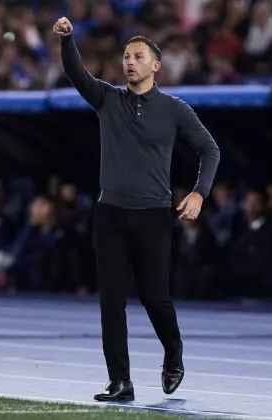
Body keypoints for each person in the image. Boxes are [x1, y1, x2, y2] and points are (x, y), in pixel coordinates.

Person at [53, 17, 221, 402]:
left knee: (154, 297)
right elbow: (76, 73)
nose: (129, 62)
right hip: (109, 213)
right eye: (126, 56)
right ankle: (120, 382)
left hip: (153, 215)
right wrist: (67, 40)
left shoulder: (174, 109)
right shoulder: (108, 99)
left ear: (155, 66)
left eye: (138, 56)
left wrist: (198, 193)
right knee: (111, 299)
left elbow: (210, 150)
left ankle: (173, 352)